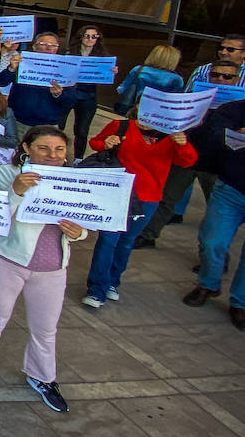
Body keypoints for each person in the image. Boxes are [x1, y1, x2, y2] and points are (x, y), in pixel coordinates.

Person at [0, 125, 90, 413]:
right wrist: (16, 192)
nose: (52, 155)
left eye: (59, 149)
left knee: (45, 328)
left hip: (51, 266)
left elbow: (86, 222)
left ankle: (43, 377)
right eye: (44, 148)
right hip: (6, 259)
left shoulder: (72, 181)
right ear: (26, 148)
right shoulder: (8, 175)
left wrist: (78, 233)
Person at [82, 112, 196, 308]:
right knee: (108, 240)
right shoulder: (121, 125)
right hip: (117, 193)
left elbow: (187, 161)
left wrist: (182, 144)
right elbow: (95, 143)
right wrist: (106, 143)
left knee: (126, 242)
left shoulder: (172, 136)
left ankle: (113, 282)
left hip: (147, 197)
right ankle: (96, 290)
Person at [136, 59, 240, 247]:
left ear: (237, 79)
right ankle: (148, 235)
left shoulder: (239, 106)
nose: (220, 80)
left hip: (218, 164)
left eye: (227, 76)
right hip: (187, 156)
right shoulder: (196, 97)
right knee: (167, 198)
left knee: (217, 212)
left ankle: (213, 257)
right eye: (215, 75)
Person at [183, 95, 245, 329]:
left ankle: (240, 302)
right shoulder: (234, 110)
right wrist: (234, 133)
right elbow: (211, 134)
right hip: (232, 188)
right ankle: (209, 284)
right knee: (212, 241)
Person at [0, 33, 79, 135]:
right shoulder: (22, 63)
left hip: (48, 125)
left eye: (53, 45)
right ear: (34, 47)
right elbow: (0, 82)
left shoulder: (65, 70)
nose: (48, 48)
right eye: (43, 44)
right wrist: (11, 68)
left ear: (57, 49)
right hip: (18, 121)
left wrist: (58, 94)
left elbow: (71, 100)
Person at [67, 25, 112, 158]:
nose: (90, 39)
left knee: (82, 130)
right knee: (60, 125)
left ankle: (78, 158)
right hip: (70, 93)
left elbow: (104, 78)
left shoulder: (102, 57)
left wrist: (111, 72)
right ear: (81, 37)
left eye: (94, 36)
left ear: (98, 39)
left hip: (88, 96)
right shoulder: (70, 53)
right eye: (87, 36)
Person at [114, 45, 183, 116]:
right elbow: (174, 103)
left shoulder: (138, 69)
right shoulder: (176, 79)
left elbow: (121, 89)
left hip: (135, 111)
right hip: (158, 115)